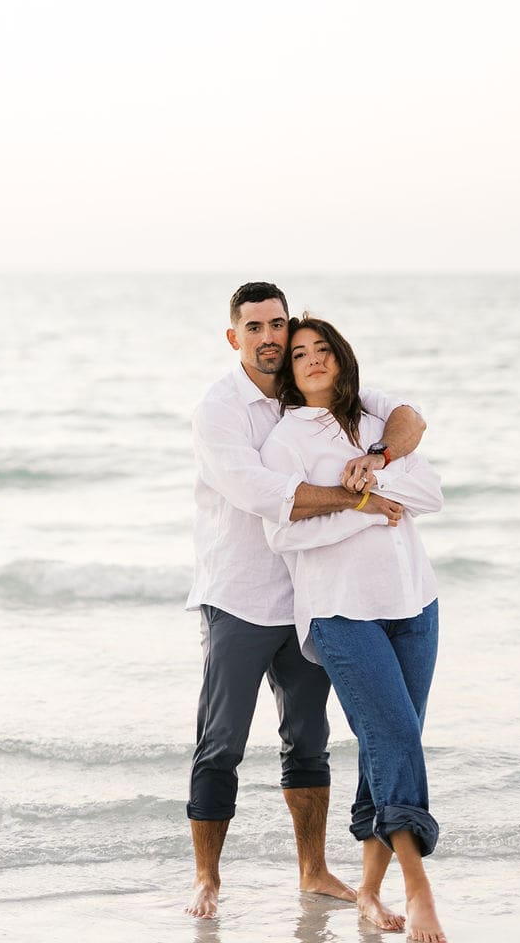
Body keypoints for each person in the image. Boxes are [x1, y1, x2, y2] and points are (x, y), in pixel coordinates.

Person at [184, 281, 426, 919]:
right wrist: (361, 497)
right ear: (234, 336)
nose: (269, 338)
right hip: (237, 595)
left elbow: (409, 415)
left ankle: (314, 870)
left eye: (278, 327)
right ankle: (207, 878)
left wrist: (376, 457)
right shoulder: (220, 409)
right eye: (255, 327)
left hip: (306, 596)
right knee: (222, 741)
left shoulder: (312, 395)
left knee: (308, 740)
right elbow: (265, 494)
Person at [260, 314, 447, 943]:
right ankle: (418, 887)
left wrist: (374, 473)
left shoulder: (375, 426)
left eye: (323, 350)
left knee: (390, 741)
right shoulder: (286, 439)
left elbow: (429, 493)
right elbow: (284, 529)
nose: (312, 359)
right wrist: (366, 508)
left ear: (341, 359)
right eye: (300, 354)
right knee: (395, 734)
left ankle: (368, 889)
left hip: (414, 603)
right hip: (341, 611)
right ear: (287, 371)